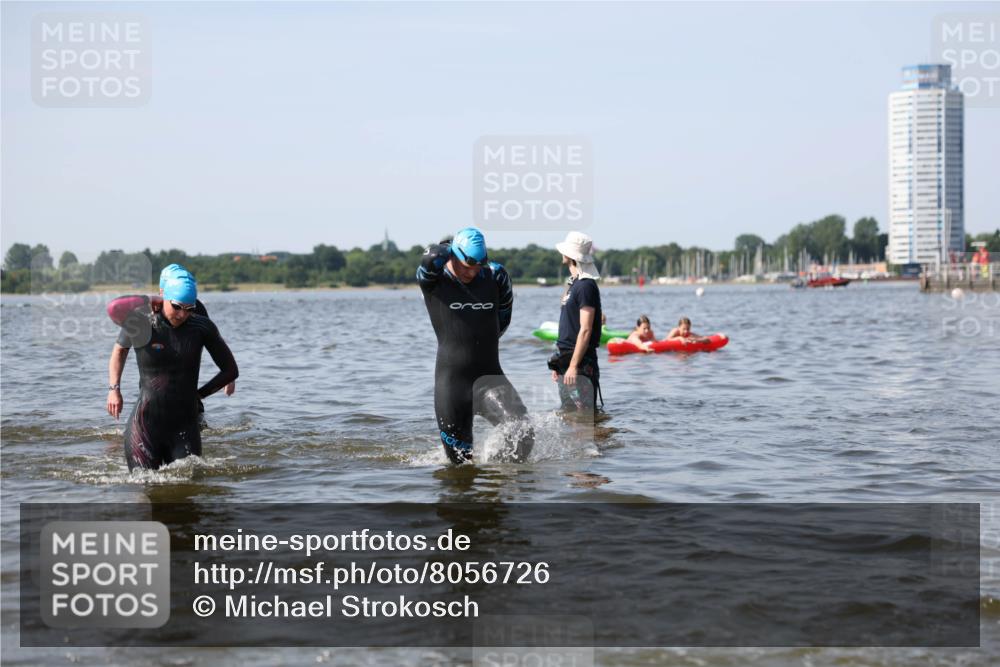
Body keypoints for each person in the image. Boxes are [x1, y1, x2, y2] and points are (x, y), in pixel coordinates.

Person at [417, 227, 533, 464]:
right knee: (460, 465)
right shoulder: (434, 280)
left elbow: (503, 320)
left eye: (478, 265)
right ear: (453, 255)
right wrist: (448, 248)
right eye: (466, 265)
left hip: (490, 378)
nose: (472, 271)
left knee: (523, 433)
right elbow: (429, 258)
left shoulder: (496, 276)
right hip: (452, 385)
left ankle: (496, 479)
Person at [106, 266, 238, 470]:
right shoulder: (141, 321)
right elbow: (114, 309)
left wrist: (199, 395)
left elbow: (230, 370)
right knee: (144, 484)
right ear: (163, 297)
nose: (183, 314)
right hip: (145, 425)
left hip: (185, 426)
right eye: (177, 306)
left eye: (189, 308)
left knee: (188, 484)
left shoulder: (201, 326)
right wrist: (114, 389)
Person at [550, 231, 602, 412]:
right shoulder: (574, 284)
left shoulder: (586, 286)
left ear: (570, 255)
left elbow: (586, 329)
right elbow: (567, 325)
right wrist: (559, 364)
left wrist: (573, 366)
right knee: (568, 414)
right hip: (566, 359)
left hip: (580, 362)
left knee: (584, 417)